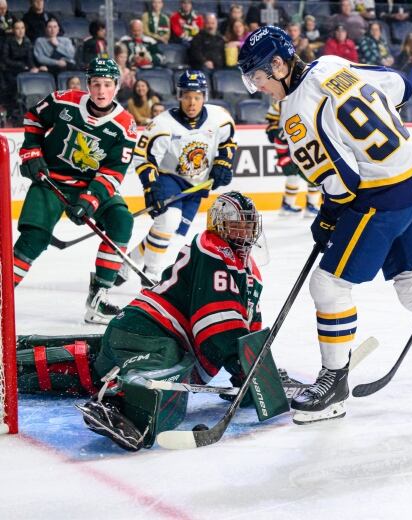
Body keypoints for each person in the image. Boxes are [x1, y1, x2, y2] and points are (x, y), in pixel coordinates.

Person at [238, 26, 412, 424]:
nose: (259, 86)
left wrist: (329, 218)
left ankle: (333, 387)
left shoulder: (295, 116)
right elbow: (401, 86)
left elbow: (344, 186)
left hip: (381, 199)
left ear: (279, 65)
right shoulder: (332, 65)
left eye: (259, 76)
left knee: (328, 285)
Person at [17, 192, 268, 451]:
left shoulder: (249, 271)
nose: (245, 232)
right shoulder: (213, 247)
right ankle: (119, 403)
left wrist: (254, 372)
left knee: (94, 369)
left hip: (142, 336)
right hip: (147, 330)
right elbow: (216, 322)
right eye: (238, 224)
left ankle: (17, 364)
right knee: (169, 369)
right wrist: (240, 363)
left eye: (249, 225)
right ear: (218, 224)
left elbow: (247, 327)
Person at [13, 58, 137, 324]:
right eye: (95, 84)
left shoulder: (125, 126)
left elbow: (113, 172)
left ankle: (99, 298)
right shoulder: (63, 100)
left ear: (116, 87)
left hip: (90, 187)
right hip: (51, 181)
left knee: (121, 221)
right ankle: (3, 296)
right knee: (33, 239)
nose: (101, 91)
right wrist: (32, 152)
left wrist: (90, 201)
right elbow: (33, 118)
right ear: (88, 85)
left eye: (107, 85)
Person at [120, 70, 236, 286]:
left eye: (197, 97)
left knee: (170, 232)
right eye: (187, 96)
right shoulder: (162, 125)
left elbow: (227, 142)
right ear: (179, 96)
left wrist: (223, 163)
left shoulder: (219, 118)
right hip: (169, 178)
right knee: (167, 221)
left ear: (204, 97)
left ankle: (128, 263)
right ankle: (151, 273)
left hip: (197, 183)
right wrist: (150, 187)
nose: (192, 102)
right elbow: (144, 157)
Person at [265, 100, 320, 217]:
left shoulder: (306, 97)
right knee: (295, 175)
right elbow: (271, 122)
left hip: (304, 142)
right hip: (289, 143)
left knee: (312, 173)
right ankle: (301, 205)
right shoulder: (282, 101)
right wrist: (274, 132)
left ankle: (295, 205)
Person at [1, 20, 39, 105]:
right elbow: (5, 59)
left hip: (24, 68)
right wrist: (21, 65)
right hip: (10, 68)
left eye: (22, 28)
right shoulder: (8, 41)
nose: (21, 31)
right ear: (13, 30)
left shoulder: (27, 41)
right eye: (17, 28)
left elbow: (30, 58)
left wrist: (33, 67)